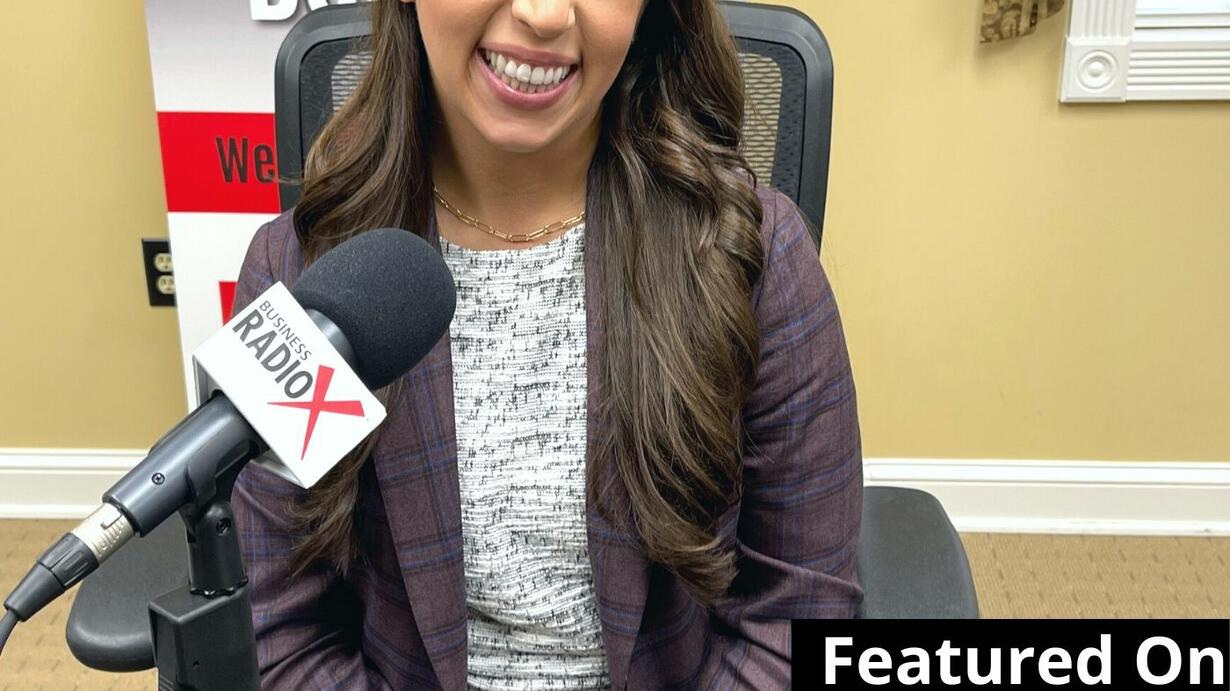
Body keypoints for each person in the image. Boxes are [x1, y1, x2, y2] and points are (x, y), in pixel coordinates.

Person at [230, 0, 863, 688]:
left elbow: (799, 614)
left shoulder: (755, 254)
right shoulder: (299, 275)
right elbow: (282, 634)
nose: (543, 14)